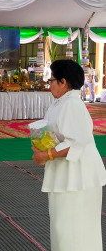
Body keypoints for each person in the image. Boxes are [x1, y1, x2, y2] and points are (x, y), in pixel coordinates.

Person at [31, 59, 106, 251]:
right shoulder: (62, 102)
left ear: (63, 82)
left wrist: (45, 154)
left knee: (73, 232)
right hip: (68, 175)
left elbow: (75, 143)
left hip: (78, 177)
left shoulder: (71, 104)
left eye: (52, 81)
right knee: (64, 230)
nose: (50, 86)